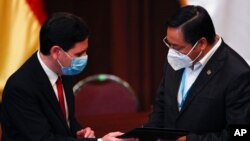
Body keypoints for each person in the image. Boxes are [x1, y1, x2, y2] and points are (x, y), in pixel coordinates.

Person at [1, 12, 129, 141]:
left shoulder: (64, 70)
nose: (84, 58)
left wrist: (78, 132)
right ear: (56, 52)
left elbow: (66, 122)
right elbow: (43, 138)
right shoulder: (20, 88)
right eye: (79, 54)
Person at [145, 5, 250, 141]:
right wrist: (143, 136)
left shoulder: (238, 74)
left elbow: (241, 133)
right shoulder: (177, 58)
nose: (171, 52)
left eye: (177, 47)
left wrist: (192, 140)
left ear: (201, 43)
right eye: (169, 44)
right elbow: (161, 106)